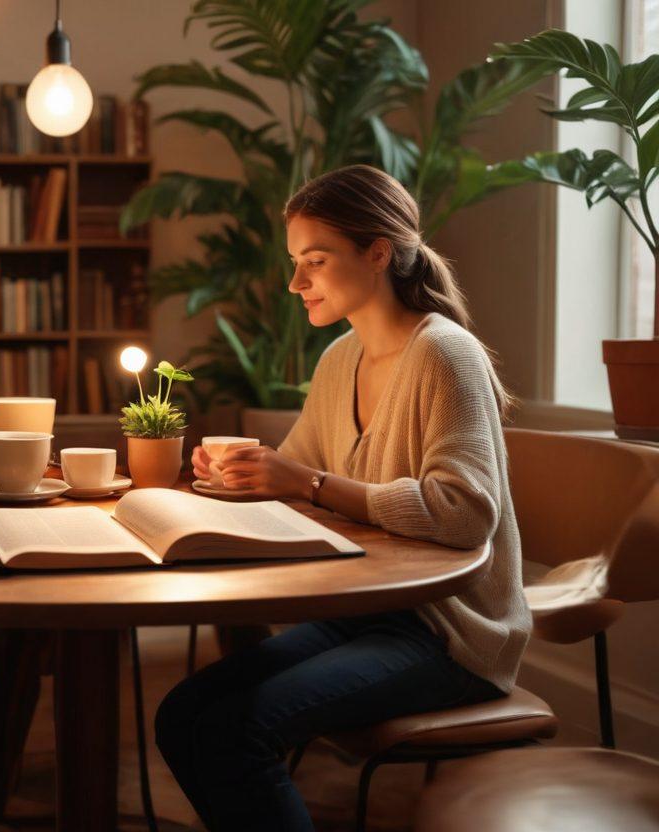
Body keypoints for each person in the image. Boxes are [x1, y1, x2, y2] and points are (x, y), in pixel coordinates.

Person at [154, 164, 531, 831]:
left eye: (314, 261)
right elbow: (295, 473)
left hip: (449, 635)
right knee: (182, 714)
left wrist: (309, 483)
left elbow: (466, 513)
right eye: (296, 262)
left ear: (378, 253)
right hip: (365, 611)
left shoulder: (446, 355)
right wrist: (230, 472)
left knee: (230, 733)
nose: (295, 282)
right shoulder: (339, 360)